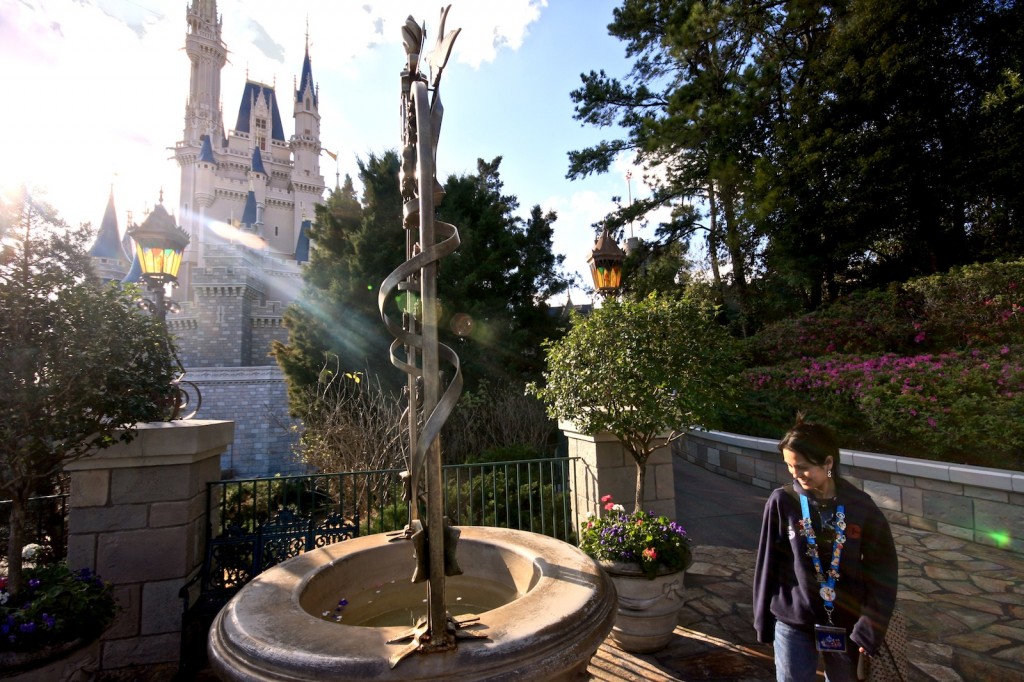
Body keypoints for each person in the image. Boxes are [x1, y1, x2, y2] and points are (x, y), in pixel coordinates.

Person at [753, 415, 898, 682]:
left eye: (803, 466)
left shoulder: (860, 506)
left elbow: (883, 571)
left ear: (829, 462)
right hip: (793, 620)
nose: (795, 474)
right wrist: (763, 620)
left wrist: (870, 628)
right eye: (789, 466)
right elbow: (767, 563)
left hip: (847, 623)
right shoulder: (782, 502)